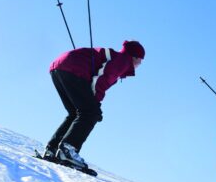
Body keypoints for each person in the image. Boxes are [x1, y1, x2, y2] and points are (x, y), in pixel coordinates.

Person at [43, 40, 145, 171]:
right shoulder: (123, 61)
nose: (140, 64)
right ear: (134, 57)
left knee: (75, 113)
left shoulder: (116, 57)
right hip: (72, 69)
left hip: (60, 67)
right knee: (90, 113)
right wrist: (95, 104)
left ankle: (52, 149)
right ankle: (67, 149)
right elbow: (102, 79)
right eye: (140, 60)